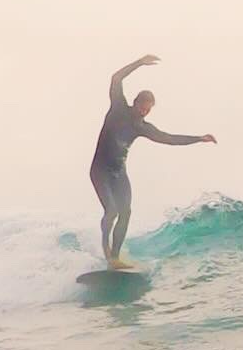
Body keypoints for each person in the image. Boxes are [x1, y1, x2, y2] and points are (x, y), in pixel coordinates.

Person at [90, 54, 215, 268]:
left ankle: (116, 258)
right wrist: (139, 62)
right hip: (100, 170)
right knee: (111, 210)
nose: (144, 110)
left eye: (149, 108)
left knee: (126, 212)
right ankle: (106, 249)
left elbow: (169, 139)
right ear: (136, 102)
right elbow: (116, 78)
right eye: (142, 106)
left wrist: (198, 139)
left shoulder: (143, 127)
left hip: (119, 172)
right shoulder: (118, 108)